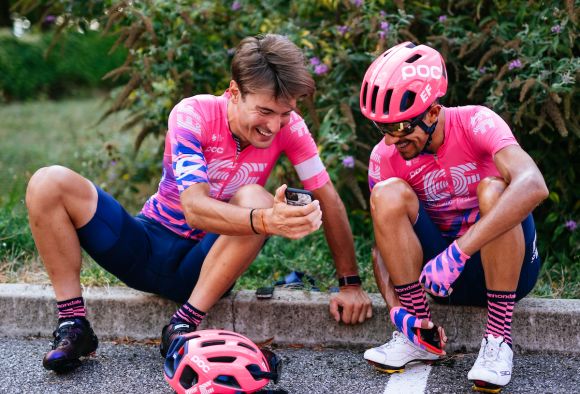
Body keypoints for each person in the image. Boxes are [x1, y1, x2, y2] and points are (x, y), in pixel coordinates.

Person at [26, 33, 372, 373]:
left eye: (285, 113)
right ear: (234, 93)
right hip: (147, 245)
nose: (274, 125)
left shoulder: (291, 128)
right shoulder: (193, 114)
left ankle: (182, 326)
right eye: (265, 111)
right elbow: (194, 208)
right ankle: (74, 325)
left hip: (206, 267)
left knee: (254, 196)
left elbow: (329, 199)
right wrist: (268, 221)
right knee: (47, 182)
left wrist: (351, 284)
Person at [358, 42, 547, 391]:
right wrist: (396, 309)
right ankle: (419, 335)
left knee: (495, 189)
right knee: (386, 195)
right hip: (439, 280)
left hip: (509, 269)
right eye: (382, 128)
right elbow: (382, 248)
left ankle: (498, 341)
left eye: (400, 128)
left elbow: (534, 185)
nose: (391, 139)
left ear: (432, 113)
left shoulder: (477, 121)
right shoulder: (384, 156)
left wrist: (460, 251)